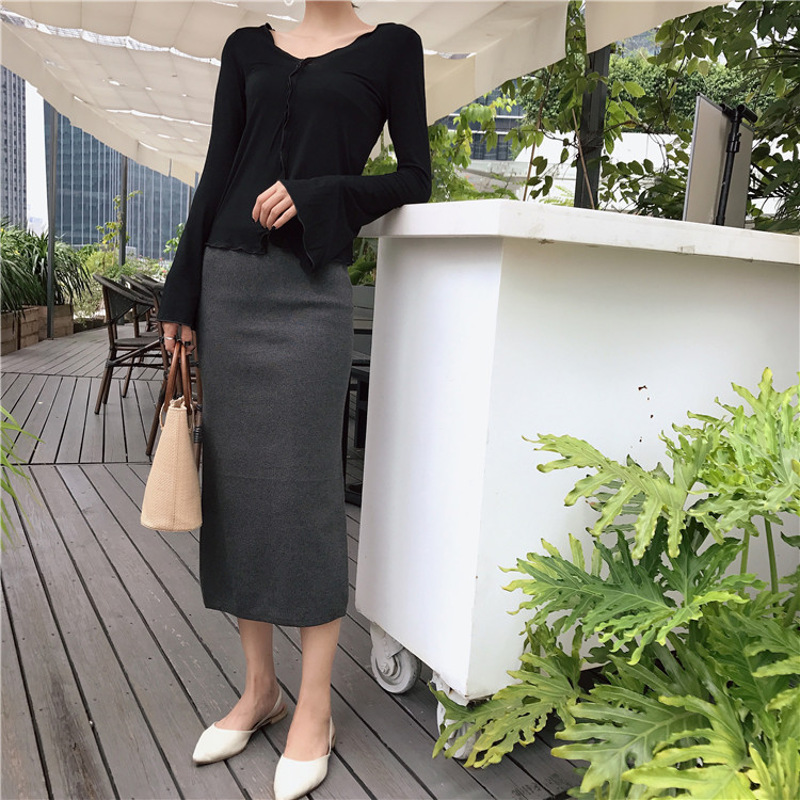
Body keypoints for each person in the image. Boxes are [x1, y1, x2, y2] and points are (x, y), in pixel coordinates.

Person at [155, 1, 431, 798]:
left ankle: (315, 707)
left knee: (307, 492)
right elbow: (217, 171)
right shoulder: (246, 47)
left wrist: (318, 194)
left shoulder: (392, 48)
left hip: (312, 290)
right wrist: (181, 294)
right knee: (237, 487)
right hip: (228, 282)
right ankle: (259, 689)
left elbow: (414, 177)